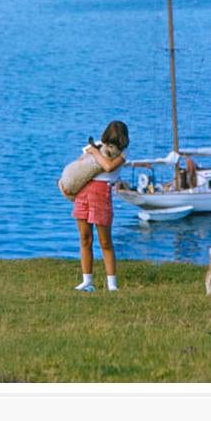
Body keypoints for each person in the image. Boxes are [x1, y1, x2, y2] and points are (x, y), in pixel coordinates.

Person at [61, 120, 129, 292]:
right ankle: (87, 281)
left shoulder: (123, 154)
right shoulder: (97, 146)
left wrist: (93, 151)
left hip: (101, 194)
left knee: (105, 242)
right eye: (110, 143)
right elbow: (80, 165)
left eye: (116, 144)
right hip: (84, 192)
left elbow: (107, 166)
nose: (112, 147)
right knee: (85, 238)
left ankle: (112, 284)